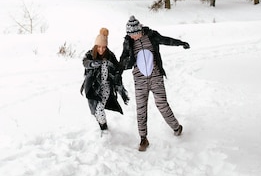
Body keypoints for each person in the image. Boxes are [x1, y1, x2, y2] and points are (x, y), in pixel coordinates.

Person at [119, 16, 190, 151]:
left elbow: (166, 40)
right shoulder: (128, 42)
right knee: (141, 109)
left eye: (136, 33)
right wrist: (121, 68)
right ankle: (143, 139)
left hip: (156, 77)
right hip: (139, 80)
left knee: (162, 104)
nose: (134, 37)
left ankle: (176, 127)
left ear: (140, 30)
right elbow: (123, 59)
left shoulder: (151, 36)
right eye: (131, 34)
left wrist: (181, 43)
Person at [81, 28, 129, 134]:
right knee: (94, 110)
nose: (101, 50)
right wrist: (92, 64)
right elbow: (85, 62)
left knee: (99, 109)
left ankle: (105, 129)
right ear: (95, 46)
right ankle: (102, 126)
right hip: (93, 86)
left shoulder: (110, 56)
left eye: (103, 47)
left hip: (106, 87)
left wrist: (122, 66)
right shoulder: (90, 54)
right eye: (99, 47)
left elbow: (118, 67)